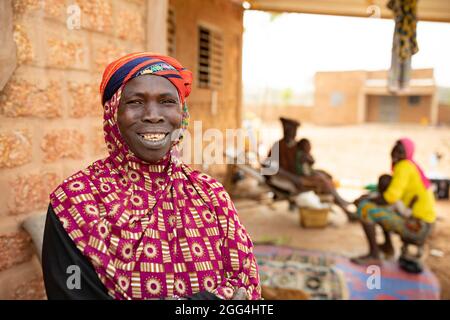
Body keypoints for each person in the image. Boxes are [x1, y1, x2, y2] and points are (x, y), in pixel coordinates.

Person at [42, 52, 261, 300]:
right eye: (135, 102)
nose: (153, 115)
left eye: (167, 101)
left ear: (183, 114)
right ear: (113, 114)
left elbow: (246, 287)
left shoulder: (211, 194)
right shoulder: (76, 201)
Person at [352, 138, 437, 265]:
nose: (396, 155)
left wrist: (365, 199)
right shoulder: (410, 167)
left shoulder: (403, 167)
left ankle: (374, 255)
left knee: (365, 208)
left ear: (407, 154)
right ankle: (387, 247)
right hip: (423, 224)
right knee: (379, 208)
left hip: (418, 226)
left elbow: (389, 198)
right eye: (395, 151)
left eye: (400, 152)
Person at [265, 118, 355, 220]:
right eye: (290, 130)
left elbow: (310, 161)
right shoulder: (278, 146)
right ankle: (344, 207)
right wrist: (293, 177)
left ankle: (341, 202)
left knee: (325, 176)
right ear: (285, 131)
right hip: (293, 176)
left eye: (294, 131)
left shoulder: (297, 145)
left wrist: (307, 159)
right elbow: (270, 166)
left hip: (302, 173)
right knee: (323, 182)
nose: (293, 133)